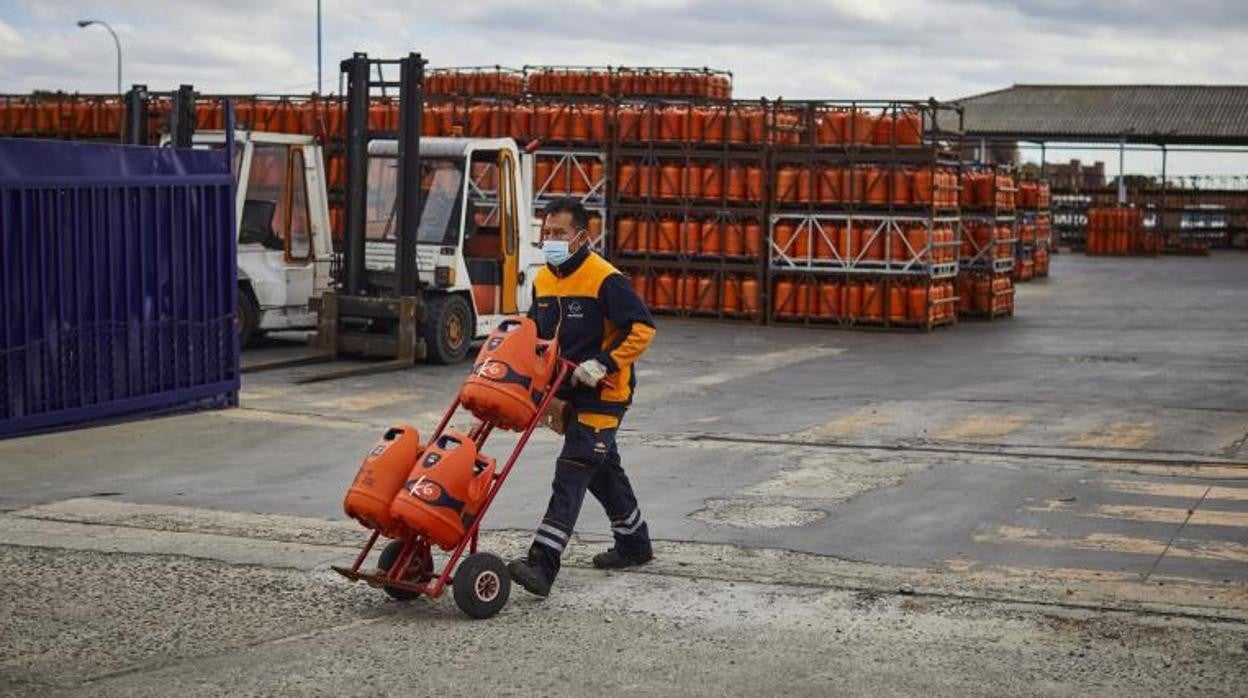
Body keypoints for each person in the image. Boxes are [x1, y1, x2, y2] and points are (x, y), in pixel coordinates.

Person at [507, 197, 658, 598]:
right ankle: (634, 543)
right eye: (547, 232)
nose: (551, 239)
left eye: (560, 233)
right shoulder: (542, 280)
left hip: (605, 393)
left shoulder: (605, 279)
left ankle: (542, 564)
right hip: (565, 393)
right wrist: (542, 395)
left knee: (574, 468)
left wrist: (604, 363)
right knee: (602, 467)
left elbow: (642, 328)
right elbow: (537, 339)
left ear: (582, 237)